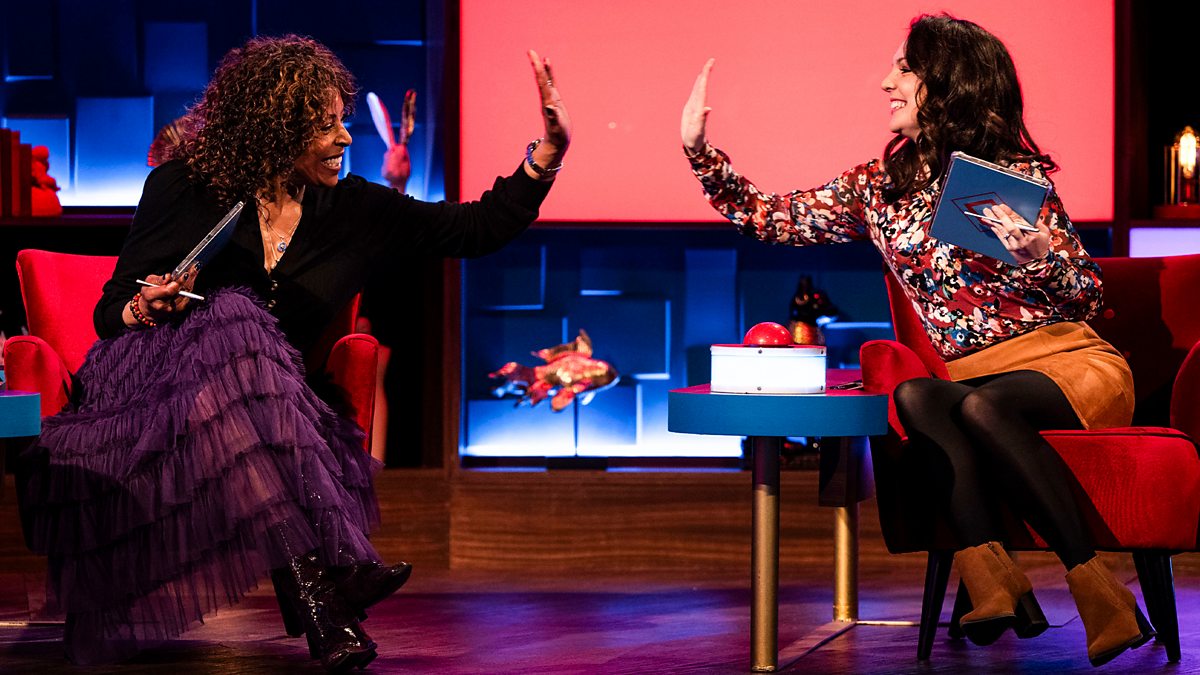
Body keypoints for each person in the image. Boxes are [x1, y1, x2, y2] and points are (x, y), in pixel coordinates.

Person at [20, 34, 569, 670]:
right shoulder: (184, 186)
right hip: (148, 387)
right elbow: (110, 310)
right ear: (275, 128)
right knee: (231, 312)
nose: (344, 138)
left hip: (258, 414)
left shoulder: (355, 209)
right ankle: (334, 573)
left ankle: (322, 609)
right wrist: (150, 304)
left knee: (241, 332)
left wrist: (546, 156)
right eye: (326, 125)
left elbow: (475, 229)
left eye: (343, 121)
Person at [681, 14, 1148, 668]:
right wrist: (701, 153)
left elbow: (1088, 298)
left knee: (981, 406)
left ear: (946, 82)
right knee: (918, 398)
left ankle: (1101, 592)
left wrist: (1039, 257)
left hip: (1069, 364)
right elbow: (773, 217)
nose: (885, 83)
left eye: (904, 69)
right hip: (977, 378)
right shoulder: (881, 189)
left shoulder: (996, 179)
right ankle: (997, 585)